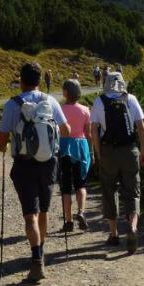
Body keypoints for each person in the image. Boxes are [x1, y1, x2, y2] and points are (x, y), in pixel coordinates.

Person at [0, 62, 66, 283]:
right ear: (39, 80)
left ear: (21, 80)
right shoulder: (51, 100)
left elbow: (1, 138)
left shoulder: (13, 104)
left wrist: (5, 146)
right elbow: (66, 130)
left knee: (30, 214)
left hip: (25, 163)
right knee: (43, 211)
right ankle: (41, 250)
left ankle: (36, 259)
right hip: (48, 162)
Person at [90, 71, 144, 253]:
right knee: (133, 190)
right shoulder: (131, 99)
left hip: (109, 151)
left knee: (109, 190)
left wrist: (99, 154)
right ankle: (132, 226)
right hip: (130, 150)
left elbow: (93, 130)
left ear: (106, 82)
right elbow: (141, 128)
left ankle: (114, 234)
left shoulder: (99, 101)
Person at [58, 78, 92, 231]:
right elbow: (89, 133)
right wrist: (92, 152)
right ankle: (81, 212)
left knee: (65, 186)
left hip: (64, 146)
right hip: (80, 147)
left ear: (65, 92)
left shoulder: (59, 109)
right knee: (81, 183)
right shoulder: (85, 110)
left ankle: (69, 221)